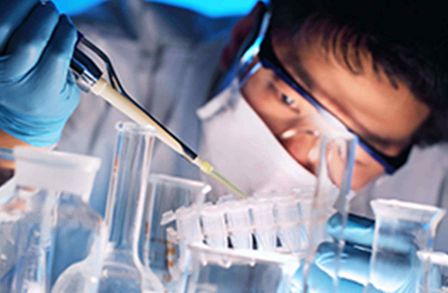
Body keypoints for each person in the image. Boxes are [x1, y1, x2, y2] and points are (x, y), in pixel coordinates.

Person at [0, 0, 448, 291]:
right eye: (289, 98)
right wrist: (8, 138)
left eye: (357, 148)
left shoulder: (437, 185)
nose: (299, 158)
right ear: (245, 36)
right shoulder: (98, 67)